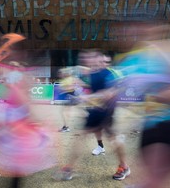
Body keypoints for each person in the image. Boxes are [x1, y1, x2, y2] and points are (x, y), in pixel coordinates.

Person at [116, 23, 170, 188]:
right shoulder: (136, 59)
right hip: (150, 123)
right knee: (152, 175)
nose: (131, 37)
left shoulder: (169, 55)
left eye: (143, 32)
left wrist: (156, 95)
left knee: (160, 174)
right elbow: (123, 86)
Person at [55, 49, 130, 181]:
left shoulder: (108, 73)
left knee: (114, 139)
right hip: (95, 111)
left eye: (89, 57)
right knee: (80, 136)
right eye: (83, 58)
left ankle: (124, 166)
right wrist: (78, 84)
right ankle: (69, 168)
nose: (85, 60)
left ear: (99, 58)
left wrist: (84, 97)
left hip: (107, 112)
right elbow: (89, 83)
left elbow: (108, 94)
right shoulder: (92, 73)